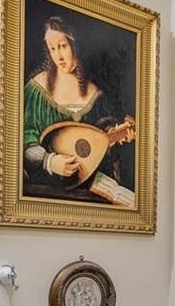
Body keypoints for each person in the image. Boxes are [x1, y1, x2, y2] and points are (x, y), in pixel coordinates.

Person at [22, 16, 132, 195]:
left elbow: (97, 148)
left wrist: (116, 139)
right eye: (52, 48)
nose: (58, 56)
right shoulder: (36, 90)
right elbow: (22, 141)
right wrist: (49, 161)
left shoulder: (97, 96)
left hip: (87, 192)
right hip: (43, 191)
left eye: (63, 46)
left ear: (76, 45)